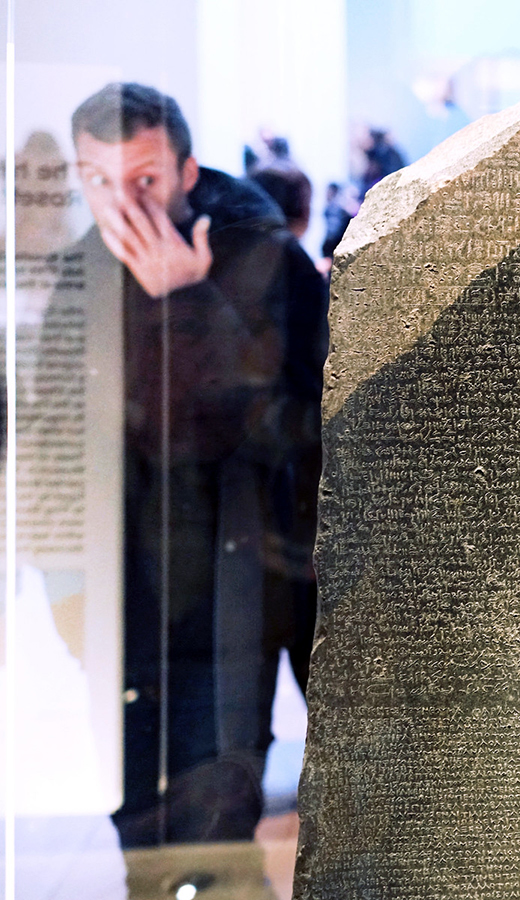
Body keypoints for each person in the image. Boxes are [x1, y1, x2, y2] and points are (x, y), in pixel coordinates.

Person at [46, 82, 326, 850]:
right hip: (127, 601)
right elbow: (53, 448)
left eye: (143, 180)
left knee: (215, 817)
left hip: (234, 598)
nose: (121, 204)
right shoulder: (80, 278)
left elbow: (301, 433)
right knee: (141, 822)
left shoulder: (260, 259)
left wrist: (192, 303)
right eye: (97, 180)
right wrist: (68, 596)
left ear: (187, 172)